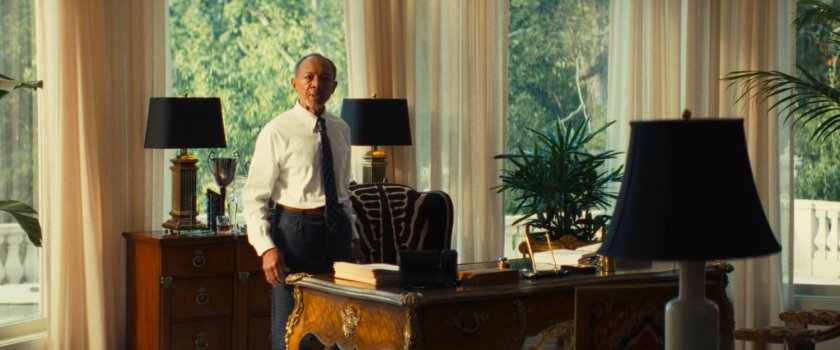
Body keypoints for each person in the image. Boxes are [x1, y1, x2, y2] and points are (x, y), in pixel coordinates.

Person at [242, 53, 364, 349]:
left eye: (324, 78)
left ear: (334, 87)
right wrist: (266, 248)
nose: (316, 84)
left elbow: (342, 191)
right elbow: (254, 195)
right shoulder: (276, 130)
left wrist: (355, 237)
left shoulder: (340, 129)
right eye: (308, 77)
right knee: (293, 330)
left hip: (337, 234)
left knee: (341, 328)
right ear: (294, 83)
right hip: (294, 235)